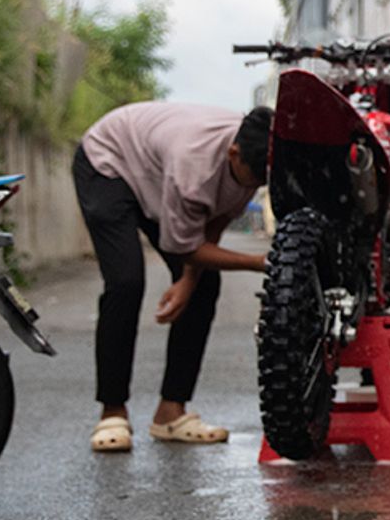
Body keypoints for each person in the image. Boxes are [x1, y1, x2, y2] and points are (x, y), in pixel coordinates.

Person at [75, 102, 271, 452]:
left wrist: (188, 281)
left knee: (205, 283)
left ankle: (171, 411)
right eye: (253, 178)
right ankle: (112, 412)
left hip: (155, 172)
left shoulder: (255, 157)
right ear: (234, 153)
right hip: (110, 160)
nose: (254, 186)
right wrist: (259, 262)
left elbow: (216, 220)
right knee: (125, 281)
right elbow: (188, 248)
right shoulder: (192, 167)